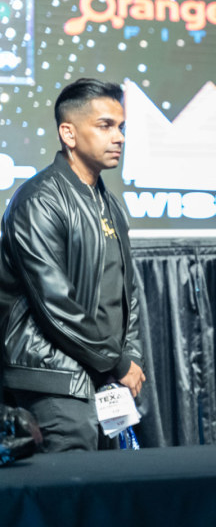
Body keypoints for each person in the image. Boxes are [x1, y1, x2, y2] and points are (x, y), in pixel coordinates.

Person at [0, 78, 145, 452]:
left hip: (100, 374)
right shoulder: (38, 201)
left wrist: (129, 356)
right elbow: (56, 304)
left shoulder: (110, 204)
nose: (119, 137)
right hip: (53, 377)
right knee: (73, 482)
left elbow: (128, 294)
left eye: (121, 127)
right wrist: (117, 362)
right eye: (105, 126)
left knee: (110, 482)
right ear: (69, 133)